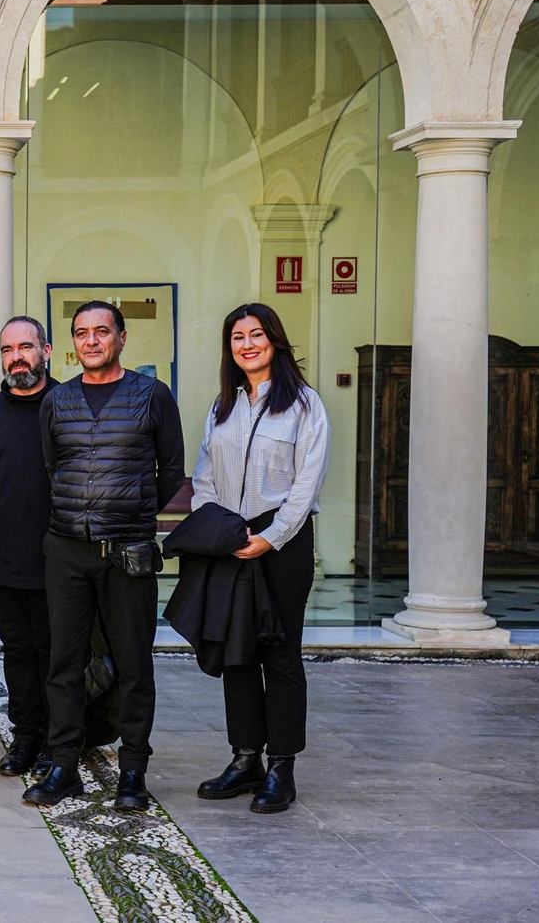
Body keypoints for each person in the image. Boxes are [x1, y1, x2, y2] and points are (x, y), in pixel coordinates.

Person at [29, 300, 184, 813]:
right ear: (72, 344)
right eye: (82, 333)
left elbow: (171, 470)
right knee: (64, 663)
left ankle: (133, 772)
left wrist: (132, 513)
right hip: (67, 550)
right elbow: (52, 467)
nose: (91, 340)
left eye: (101, 331)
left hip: (127, 553)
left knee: (135, 665)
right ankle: (63, 766)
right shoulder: (57, 400)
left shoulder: (152, 395)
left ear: (121, 338)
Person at [186, 303, 329, 814]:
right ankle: (245, 759)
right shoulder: (222, 406)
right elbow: (204, 475)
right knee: (237, 653)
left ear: (275, 340)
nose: (247, 345)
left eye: (256, 335)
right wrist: (216, 529)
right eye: (237, 337)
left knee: (281, 654)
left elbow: (307, 482)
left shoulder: (304, 405)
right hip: (231, 538)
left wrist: (271, 537)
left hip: (282, 544)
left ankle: (281, 767)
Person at [0, 315, 58, 780]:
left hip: (60, 556)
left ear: (46, 351)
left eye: (25, 347)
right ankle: (26, 736)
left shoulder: (68, 403)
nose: (16, 357)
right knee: (17, 650)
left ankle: (60, 740)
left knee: (56, 653)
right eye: (7, 349)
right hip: (3, 553)